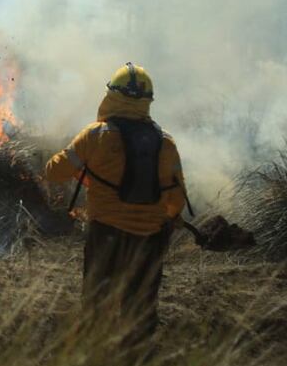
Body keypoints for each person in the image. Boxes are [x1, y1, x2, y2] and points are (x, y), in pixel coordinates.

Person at [44, 63, 188, 346]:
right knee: (141, 310)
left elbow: (52, 172)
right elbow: (176, 201)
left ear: (112, 95)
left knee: (97, 306)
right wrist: (159, 219)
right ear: (147, 101)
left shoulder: (95, 136)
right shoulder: (166, 143)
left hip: (106, 235)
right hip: (149, 240)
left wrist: (82, 170)